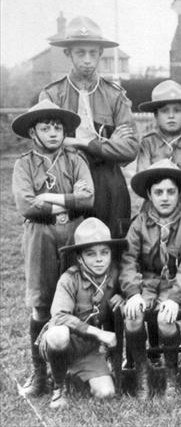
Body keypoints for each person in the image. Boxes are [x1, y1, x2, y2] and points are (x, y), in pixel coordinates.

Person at [12, 100, 94, 398]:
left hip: (74, 231)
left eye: (57, 127)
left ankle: (77, 366)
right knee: (42, 300)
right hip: (40, 233)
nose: (53, 133)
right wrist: (64, 198)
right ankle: (40, 376)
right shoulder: (24, 164)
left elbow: (88, 198)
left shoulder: (75, 159)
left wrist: (47, 195)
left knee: (79, 296)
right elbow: (25, 203)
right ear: (33, 132)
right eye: (45, 128)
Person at [40, 16, 139, 237]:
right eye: (80, 52)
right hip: (67, 179)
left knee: (111, 243)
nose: (87, 60)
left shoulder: (115, 95)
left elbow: (131, 149)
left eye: (93, 53)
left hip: (108, 179)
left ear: (101, 54)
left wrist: (83, 142)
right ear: (68, 53)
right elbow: (46, 146)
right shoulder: (52, 94)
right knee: (70, 246)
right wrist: (109, 144)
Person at [121, 160, 181, 399]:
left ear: (179, 195)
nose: (165, 198)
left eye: (170, 192)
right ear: (149, 194)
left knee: (167, 320)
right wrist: (133, 292)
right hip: (146, 285)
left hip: (175, 286)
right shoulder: (139, 224)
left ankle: (171, 376)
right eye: (158, 192)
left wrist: (176, 298)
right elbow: (128, 261)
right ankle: (143, 372)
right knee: (133, 317)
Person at [38, 218, 126, 408]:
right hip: (63, 342)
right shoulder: (69, 278)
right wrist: (99, 333)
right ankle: (58, 389)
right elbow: (59, 316)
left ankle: (66, 372)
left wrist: (123, 297)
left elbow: (133, 287)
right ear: (79, 257)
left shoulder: (115, 274)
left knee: (106, 393)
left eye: (104, 252)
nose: (99, 259)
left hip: (88, 349)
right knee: (58, 334)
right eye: (90, 254)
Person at [136, 80, 181, 214]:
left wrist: (158, 173)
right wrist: (179, 175)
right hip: (153, 206)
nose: (171, 116)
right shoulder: (148, 142)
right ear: (156, 115)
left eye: (177, 110)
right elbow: (142, 177)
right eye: (164, 111)